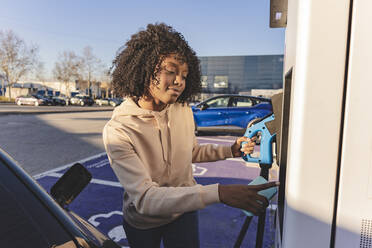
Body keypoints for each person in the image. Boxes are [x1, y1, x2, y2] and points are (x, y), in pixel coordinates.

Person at [103, 23, 279, 248]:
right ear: (145, 70)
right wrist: (220, 193)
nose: (179, 82)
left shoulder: (182, 109)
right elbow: (146, 199)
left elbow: (191, 151)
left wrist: (230, 150)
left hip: (183, 213)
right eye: (171, 71)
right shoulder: (118, 130)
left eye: (184, 76)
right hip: (143, 221)